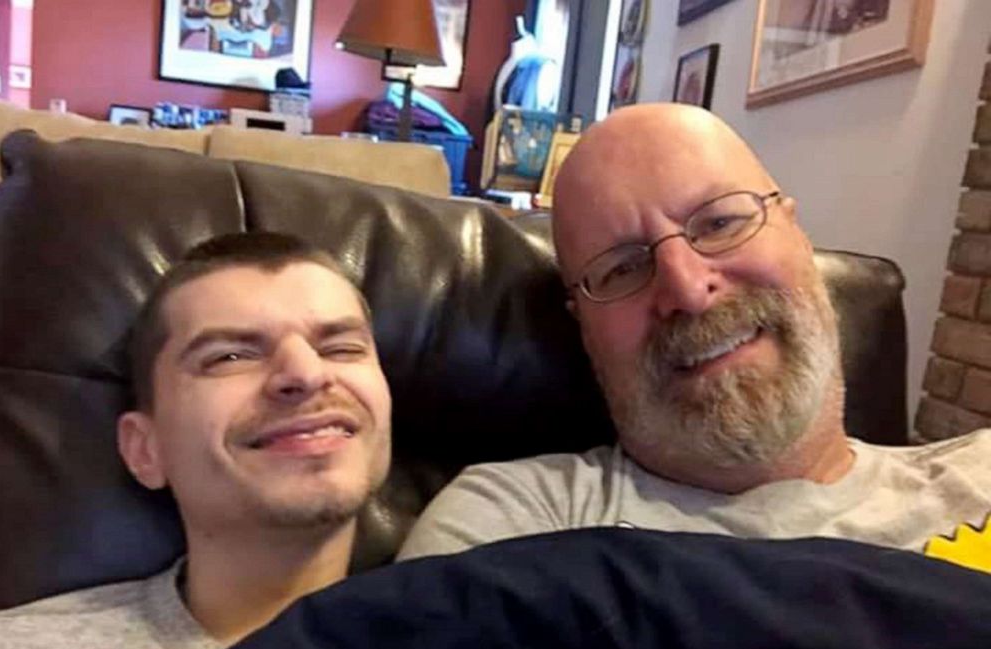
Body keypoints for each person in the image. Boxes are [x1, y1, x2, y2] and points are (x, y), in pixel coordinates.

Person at [399, 103, 991, 568]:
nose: (685, 287)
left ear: (797, 234)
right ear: (582, 324)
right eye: (622, 267)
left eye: (720, 222)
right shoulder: (512, 525)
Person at [0, 231, 392, 649]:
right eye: (229, 357)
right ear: (145, 448)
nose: (307, 373)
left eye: (341, 347)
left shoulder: (482, 646)